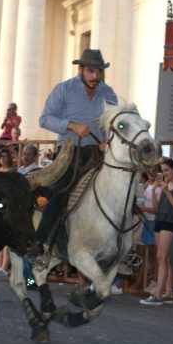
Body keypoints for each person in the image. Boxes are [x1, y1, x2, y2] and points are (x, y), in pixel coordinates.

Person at [34, 48, 119, 270]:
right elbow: (44, 119)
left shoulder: (108, 94)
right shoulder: (63, 89)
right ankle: (40, 243)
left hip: (97, 153)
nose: (95, 76)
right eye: (91, 71)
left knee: (119, 193)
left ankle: (119, 250)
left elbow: (111, 124)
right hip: (68, 152)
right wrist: (71, 125)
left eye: (98, 71)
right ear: (80, 69)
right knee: (59, 193)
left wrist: (106, 140)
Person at [141, 159, 173, 305]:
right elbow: (157, 207)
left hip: (171, 221)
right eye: (163, 170)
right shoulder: (165, 185)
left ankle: (158, 295)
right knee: (164, 258)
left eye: (167, 170)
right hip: (160, 219)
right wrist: (155, 191)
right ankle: (168, 293)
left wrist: (166, 192)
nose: (165, 173)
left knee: (161, 257)